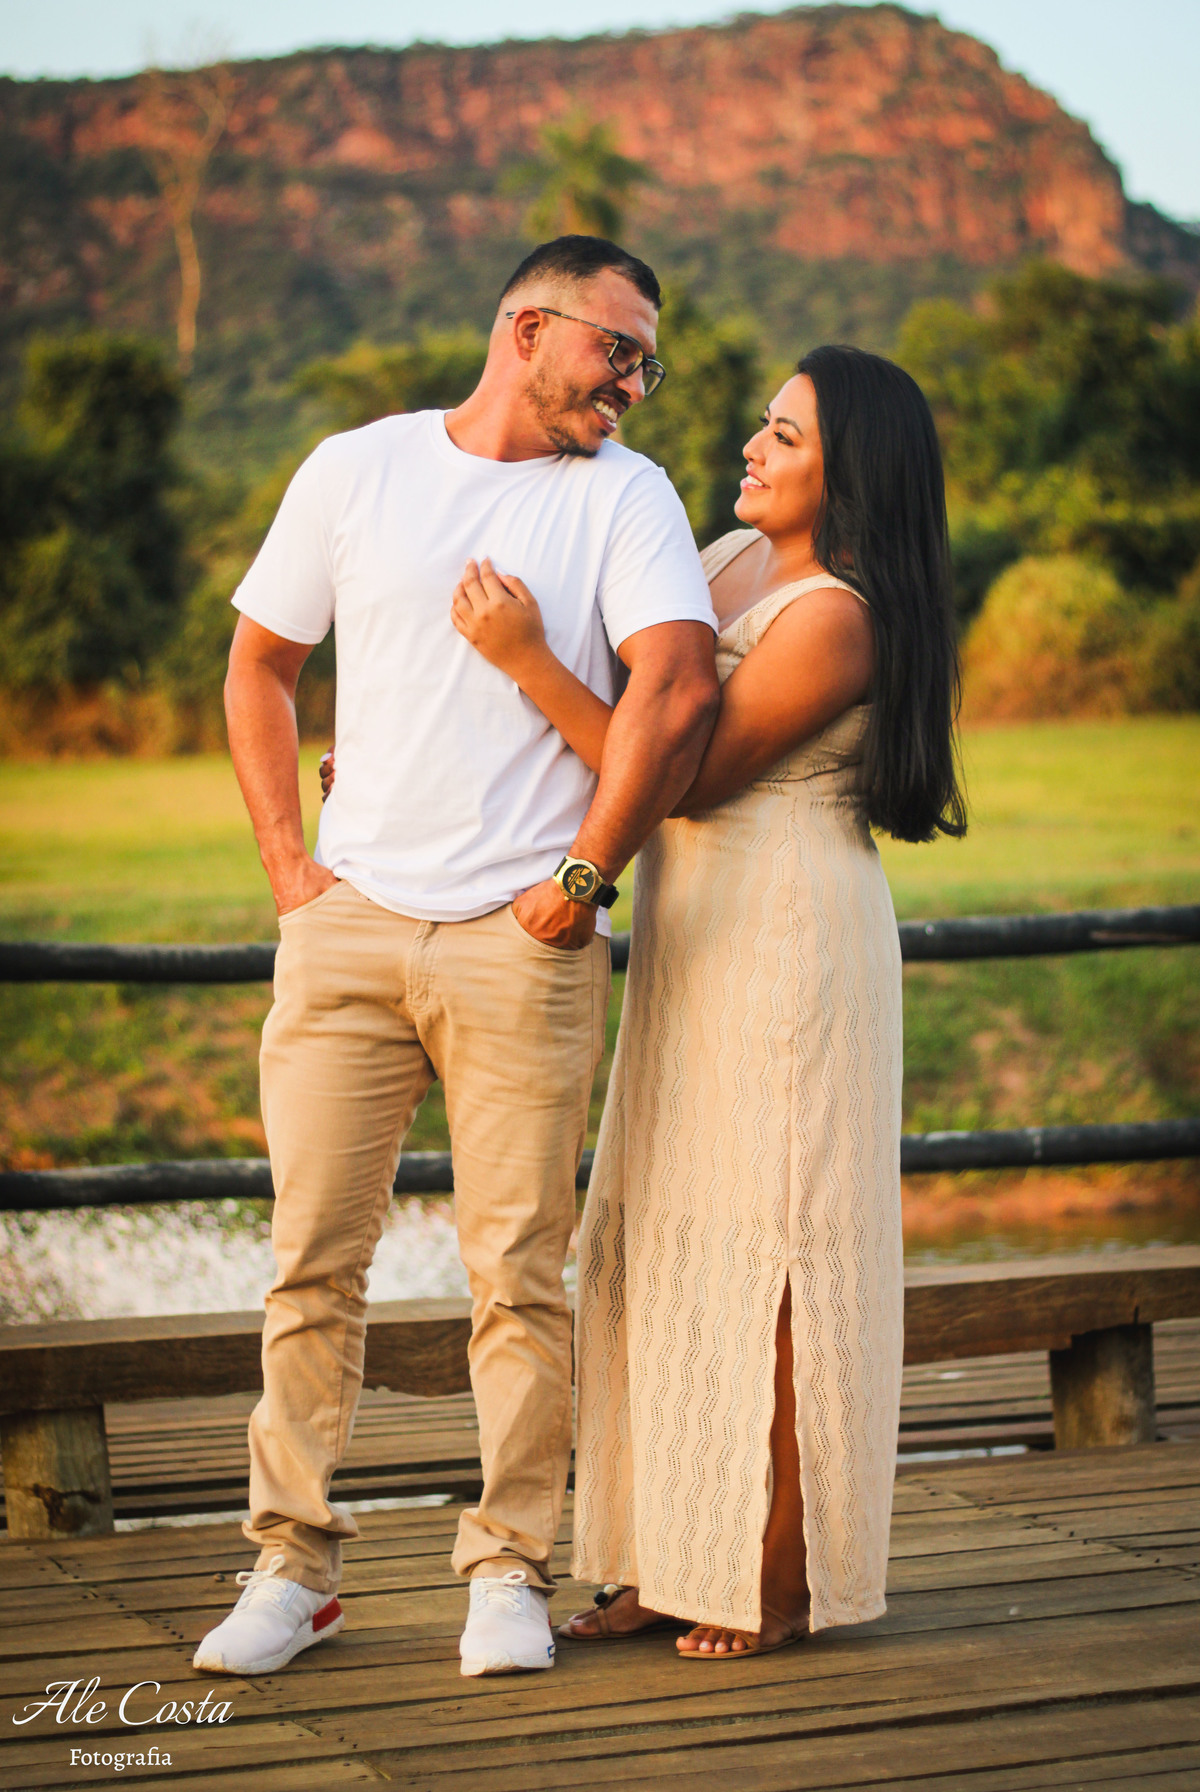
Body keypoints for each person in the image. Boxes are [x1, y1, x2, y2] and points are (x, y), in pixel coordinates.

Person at [192, 235, 720, 1683]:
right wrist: (290, 872)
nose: (634, 383)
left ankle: (507, 1570)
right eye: (617, 350)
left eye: (649, 364)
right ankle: (291, 1569)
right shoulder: (355, 468)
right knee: (310, 1263)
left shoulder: (626, 494)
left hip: (523, 938)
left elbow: (676, 690)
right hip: (348, 924)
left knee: (519, 1276)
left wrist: (582, 878)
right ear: (527, 329)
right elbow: (259, 663)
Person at [447, 345, 966, 1658]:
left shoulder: (836, 615)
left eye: (785, 435)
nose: (751, 446)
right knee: (666, 1237)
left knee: (777, 1251)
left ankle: (778, 1576)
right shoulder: (725, 561)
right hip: (692, 939)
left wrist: (520, 658)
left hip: (788, 946)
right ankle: (671, 1559)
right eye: (762, 424)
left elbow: (675, 772)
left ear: (852, 470)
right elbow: (618, 714)